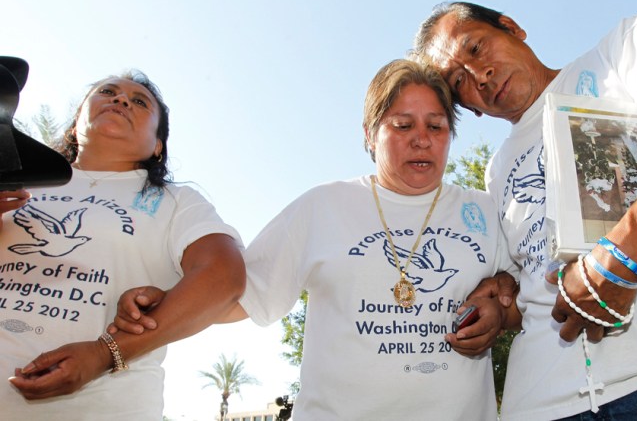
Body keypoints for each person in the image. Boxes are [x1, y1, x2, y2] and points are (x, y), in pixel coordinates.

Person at [114, 59, 518, 420]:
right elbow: (244, 296)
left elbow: (525, 291)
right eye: (402, 125)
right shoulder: (322, 206)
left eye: (436, 126)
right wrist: (168, 299)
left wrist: (501, 305)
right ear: (370, 133)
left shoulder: (483, 210)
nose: (422, 139)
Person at [413, 1, 637, 420]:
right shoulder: (496, 170)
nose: (479, 76)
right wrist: (502, 311)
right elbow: (538, 278)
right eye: (458, 82)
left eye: (475, 48)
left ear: (512, 27)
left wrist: (620, 263)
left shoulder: (625, 49)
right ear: (468, 108)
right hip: (541, 404)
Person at [1, 70, 246, 420]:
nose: (120, 101)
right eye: (108, 92)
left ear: (158, 146)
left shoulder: (177, 202)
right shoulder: (17, 184)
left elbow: (224, 278)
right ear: (75, 123)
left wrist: (104, 354)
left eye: (139, 102)